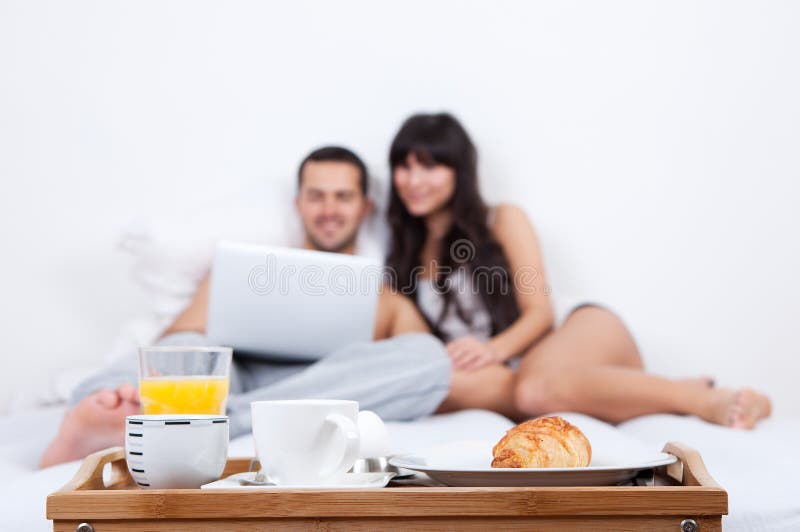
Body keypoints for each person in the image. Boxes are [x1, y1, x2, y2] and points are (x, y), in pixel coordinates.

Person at [41, 146, 456, 468]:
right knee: (185, 345)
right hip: (232, 375)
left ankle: (216, 422)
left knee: (429, 358)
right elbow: (176, 340)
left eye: (342, 196)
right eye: (317, 196)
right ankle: (94, 412)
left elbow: (426, 368)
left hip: (325, 387)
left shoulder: (385, 298)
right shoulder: (244, 270)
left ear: (365, 208)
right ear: (299, 204)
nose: (329, 209)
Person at [385, 112, 772, 429]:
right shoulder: (404, 252)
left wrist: (490, 351)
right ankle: (670, 391)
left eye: (430, 166)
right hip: (513, 371)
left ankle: (702, 398)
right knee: (516, 391)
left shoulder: (502, 219)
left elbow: (540, 312)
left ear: (459, 171)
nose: (413, 180)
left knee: (531, 392)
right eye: (404, 166)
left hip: (571, 329)